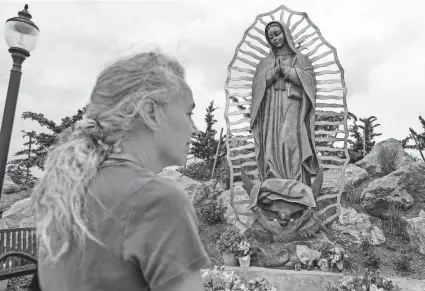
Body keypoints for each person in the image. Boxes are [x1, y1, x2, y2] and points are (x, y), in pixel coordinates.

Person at [31, 51, 210, 291]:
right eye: (189, 113)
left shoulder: (64, 191)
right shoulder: (156, 200)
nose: (195, 129)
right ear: (151, 113)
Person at [250, 21, 320, 186]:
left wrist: (289, 72)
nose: (274, 39)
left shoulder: (301, 59)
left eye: (277, 33)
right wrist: (272, 74)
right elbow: (257, 86)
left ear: (286, 34)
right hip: (270, 109)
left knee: (289, 142)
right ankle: (272, 182)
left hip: (292, 105)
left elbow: (310, 82)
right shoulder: (264, 63)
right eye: (271, 37)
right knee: (270, 147)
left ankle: (296, 183)